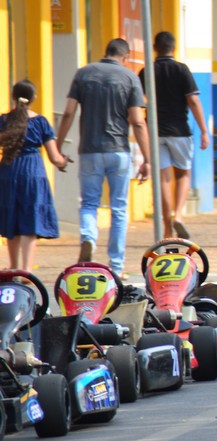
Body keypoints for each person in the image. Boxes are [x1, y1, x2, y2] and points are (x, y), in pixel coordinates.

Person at [55, 38, 151, 278]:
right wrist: (147, 159)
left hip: (89, 150)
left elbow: (68, 113)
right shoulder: (130, 78)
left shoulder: (84, 74)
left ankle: (89, 238)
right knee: (119, 208)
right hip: (118, 151)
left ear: (105, 53)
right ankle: (116, 266)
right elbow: (138, 121)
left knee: (89, 203)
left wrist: (57, 146)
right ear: (125, 56)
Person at [138, 31, 209, 239]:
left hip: (155, 131)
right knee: (183, 174)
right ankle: (178, 215)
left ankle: (167, 227)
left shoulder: (146, 71)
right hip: (179, 131)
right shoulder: (181, 69)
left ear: (154, 47)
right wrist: (204, 130)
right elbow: (193, 101)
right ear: (174, 48)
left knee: (163, 178)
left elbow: (138, 101)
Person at [0, 81, 70, 269]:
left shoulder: (4, 121)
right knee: (30, 218)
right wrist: (63, 162)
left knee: (11, 218)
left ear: (13, 97)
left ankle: (13, 268)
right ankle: (26, 270)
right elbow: (55, 158)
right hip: (33, 171)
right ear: (34, 98)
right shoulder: (40, 122)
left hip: (8, 170)